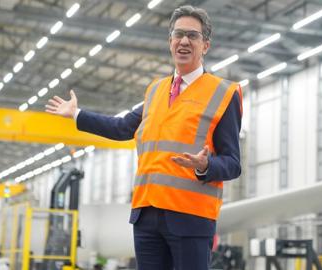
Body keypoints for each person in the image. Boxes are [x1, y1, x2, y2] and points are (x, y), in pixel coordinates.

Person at [46, 5, 242, 270]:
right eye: (178, 34)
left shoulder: (223, 93)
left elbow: (232, 163)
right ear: (170, 41)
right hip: (146, 217)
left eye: (193, 36)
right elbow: (121, 128)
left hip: (191, 217)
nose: (184, 40)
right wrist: (77, 114)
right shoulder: (155, 91)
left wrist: (206, 166)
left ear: (205, 45)